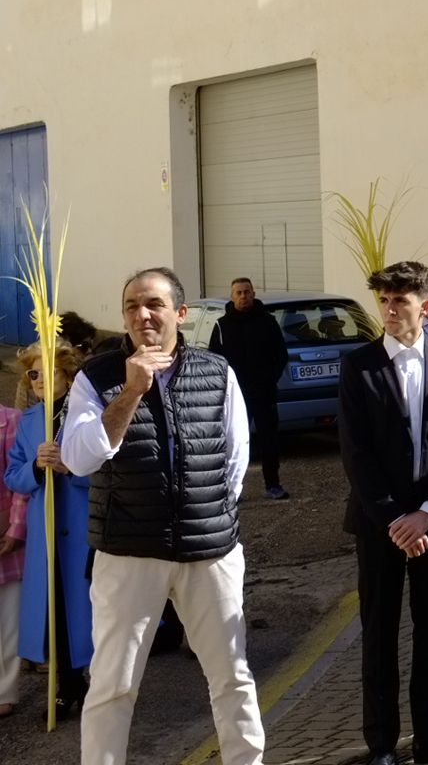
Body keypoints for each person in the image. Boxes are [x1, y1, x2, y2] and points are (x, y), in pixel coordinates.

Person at [61, 268, 264, 765]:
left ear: (180, 313)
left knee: (231, 676)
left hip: (209, 551)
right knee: (112, 684)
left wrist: (208, 514)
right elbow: (80, 457)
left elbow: (235, 458)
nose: (141, 314)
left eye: (153, 304)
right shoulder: (97, 378)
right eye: (131, 305)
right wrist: (130, 392)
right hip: (129, 554)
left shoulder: (217, 371)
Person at [339, 261, 428, 765]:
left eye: (401, 300)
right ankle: (380, 745)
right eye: (384, 300)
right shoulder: (358, 365)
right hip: (381, 525)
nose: (391, 309)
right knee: (379, 633)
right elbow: (356, 452)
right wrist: (395, 518)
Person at [6, 343, 94, 721]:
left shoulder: (87, 415)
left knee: (85, 611)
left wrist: (69, 467)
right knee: (53, 608)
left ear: (68, 375)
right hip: (45, 535)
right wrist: (38, 470)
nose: (36, 380)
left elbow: (108, 467)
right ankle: (67, 686)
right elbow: (14, 476)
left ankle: (95, 683)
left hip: (82, 530)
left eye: (44, 372)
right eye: (32, 374)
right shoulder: (28, 421)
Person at [208, 277, 291, 500]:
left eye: (246, 292)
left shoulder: (268, 322)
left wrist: (269, 379)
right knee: (234, 441)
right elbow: (214, 360)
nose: (243, 296)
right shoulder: (221, 326)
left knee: (269, 441)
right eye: (238, 293)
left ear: (253, 294)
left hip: (264, 394)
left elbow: (280, 355)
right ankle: (232, 488)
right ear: (232, 296)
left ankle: (273, 485)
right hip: (234, 397)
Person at [0, 384, 23, 719]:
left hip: (5, 535)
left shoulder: (11, 421)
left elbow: (20, 484)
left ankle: (5, 689)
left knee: (8, 619)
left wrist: (16, 529)